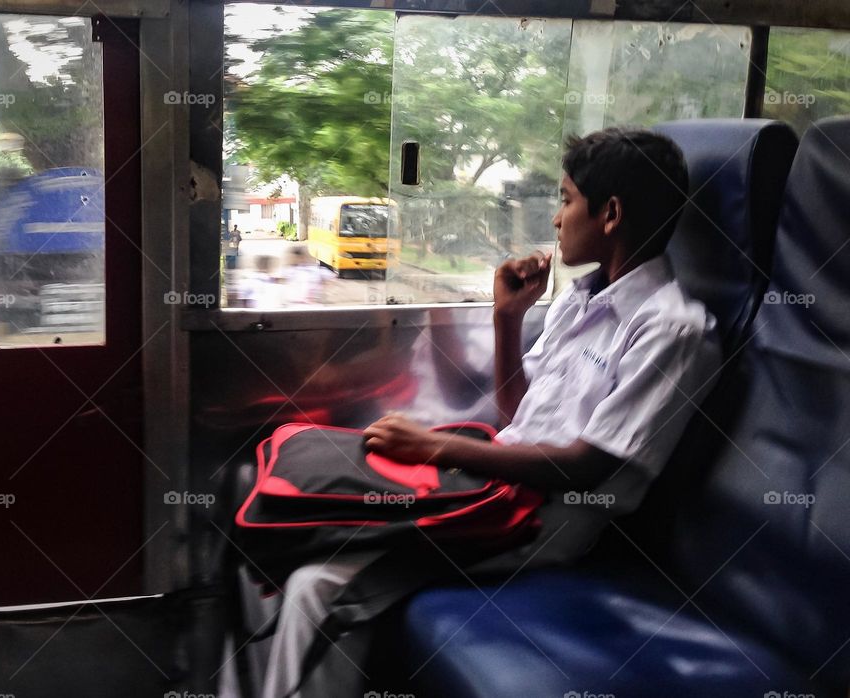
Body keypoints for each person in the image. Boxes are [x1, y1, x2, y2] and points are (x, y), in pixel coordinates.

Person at [256, 128, 723, 698]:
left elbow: (588, 466)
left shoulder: (670, 327)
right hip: (495, 480)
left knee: (316, 587)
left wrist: (434, 447)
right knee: (288, 527)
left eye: (566, 199)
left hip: (545, 519)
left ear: (611, 214)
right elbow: (515, 412)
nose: (556, 219)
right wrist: (507, 318)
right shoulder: (580, 300)